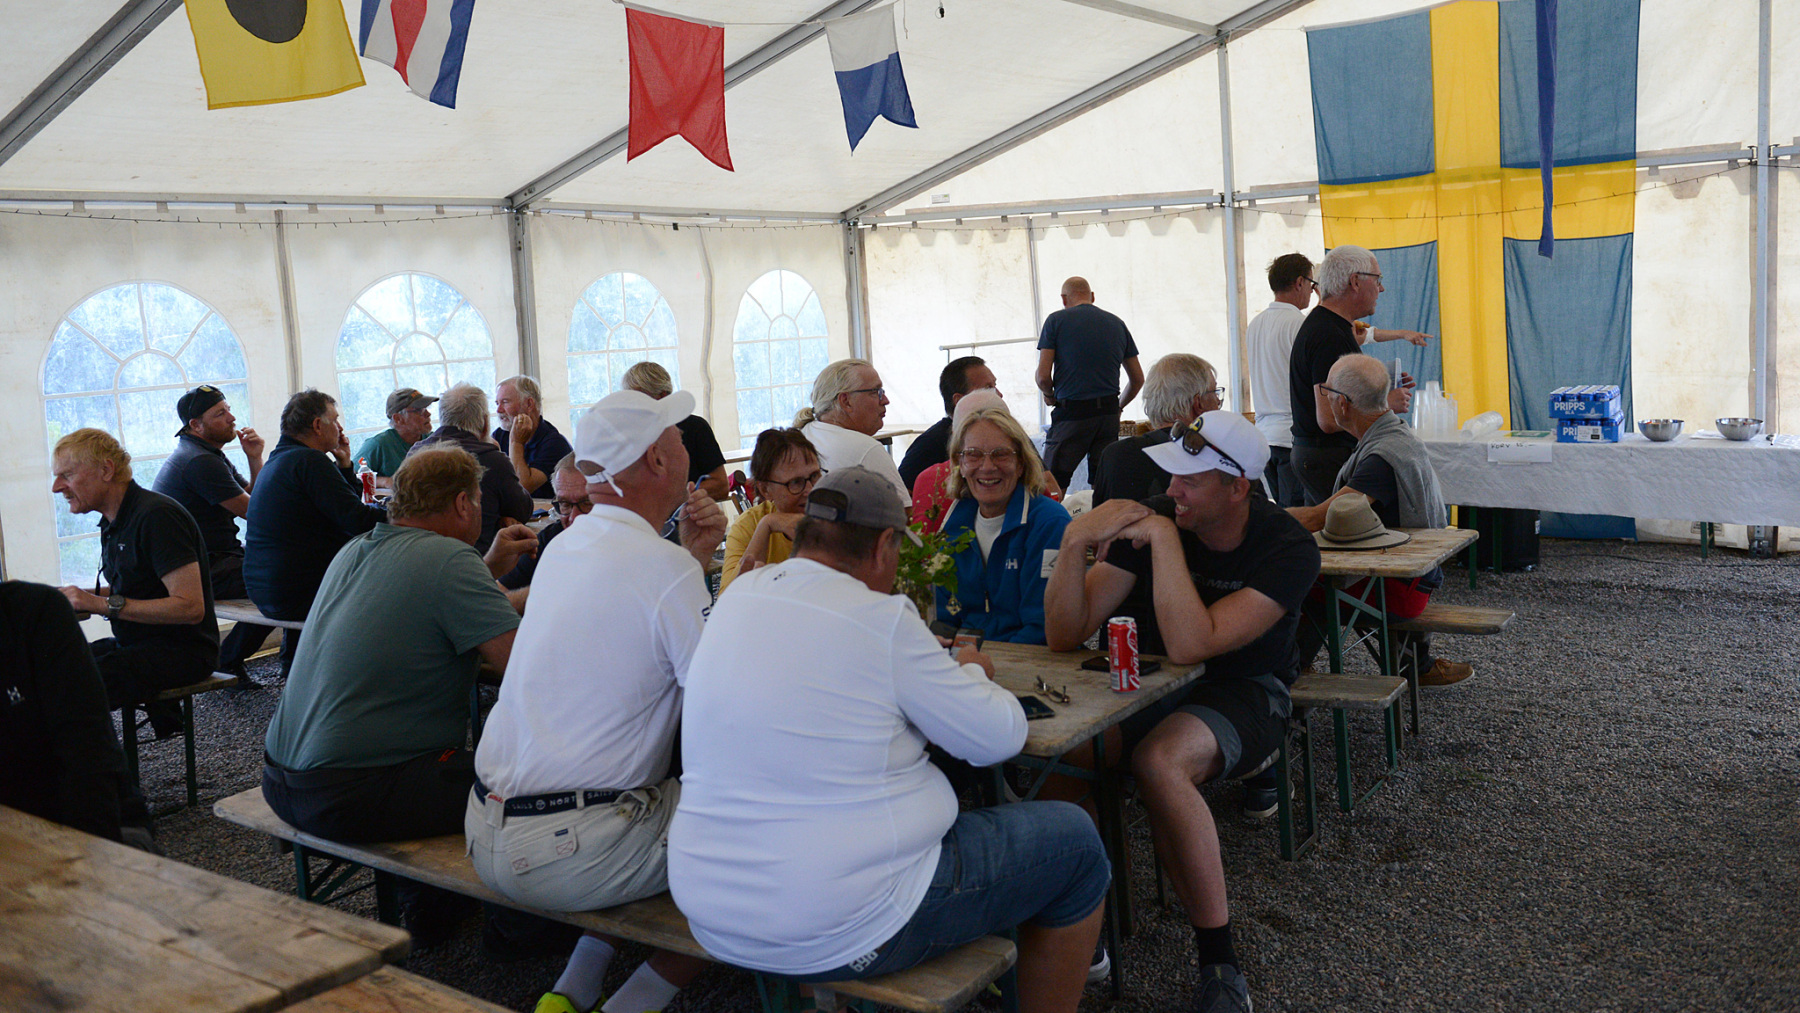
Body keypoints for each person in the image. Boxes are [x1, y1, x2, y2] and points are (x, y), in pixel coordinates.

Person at [670, 467, 1108, 1013]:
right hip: (840, 924)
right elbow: (1000, 736)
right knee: (1075, 843)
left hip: (711, 910)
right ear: (883, 546)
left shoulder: (739, 597)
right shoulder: (881, 617)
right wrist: (973, 670)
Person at [1043, 410, 1321, 1013]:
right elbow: (1064, 633)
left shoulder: (1287, 547)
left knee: (1160, 762)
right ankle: (1083, 917)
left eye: (1188, 481)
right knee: (1066, 755)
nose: (1171, 491)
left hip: (1246, 688)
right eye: (1170, 477)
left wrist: (1166, 541)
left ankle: (1219, 961)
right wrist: (1073, 542)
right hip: (1152, 684)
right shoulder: (1159, 514)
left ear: (1238, 487)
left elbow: (1196, 643)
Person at [469, 387, 724, 1013]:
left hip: (487, 828)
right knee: (760, 833)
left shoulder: (566, 547)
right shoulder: (665, 570)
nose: (687, 446)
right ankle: (631, 1005)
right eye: (677, 437)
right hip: (570, 847)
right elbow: (724, 705)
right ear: (657, 461)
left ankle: (573, 990)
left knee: (654, 796)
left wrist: (688, 559)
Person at [262, 447, 534, 933]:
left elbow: (430, 600)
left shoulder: (356, 549)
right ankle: (518, 929)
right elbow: (523, 670)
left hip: (282, 780)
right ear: (462, 504)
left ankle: (433, 909)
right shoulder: (449, 560)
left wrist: (487, 567)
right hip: (349, 793)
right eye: (476, 500)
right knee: (533, 781)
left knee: (432, 763)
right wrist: (559, 592)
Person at [1287, 354, 1473, 687]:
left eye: (1327, 392)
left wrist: (1259, 519)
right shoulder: (1392, 434)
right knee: (1306, 574)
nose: (1325, 398)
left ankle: (1286, 673)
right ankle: (1413, 664)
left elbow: (1319, 517)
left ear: (1343, 404)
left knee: (1291, 579)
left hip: (1403, 588)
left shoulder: (1381, 457)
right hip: (1411, 577)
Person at [52, 429, 220, 715]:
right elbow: (137, 587)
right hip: (138, 644)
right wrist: (70, 597)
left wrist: (100, 604)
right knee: (49, 666)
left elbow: (190, 608)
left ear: (106, 470)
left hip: (183, 653)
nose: (57, 487)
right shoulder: (115, 520)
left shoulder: (157, 516)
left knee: (66, 686)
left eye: (66, 475)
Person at [244, 389, 384, 675]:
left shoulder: (281, 459)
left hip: (266, 587)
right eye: (335, 420)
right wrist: (407, 514)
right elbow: (357, 520)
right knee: (389, 587)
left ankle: (294, 668)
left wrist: (344, 464)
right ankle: (370, 674)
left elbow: (343, 506)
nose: (340, 428)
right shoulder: (309, 461)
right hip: (296, 592)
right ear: (318, 425)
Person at [1286, 246, 1429, 504]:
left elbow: (1344, 395)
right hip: (1326, 456)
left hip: (1321, 456)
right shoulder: (1328, 334)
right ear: (1355, 281)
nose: (1381, 289)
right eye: (1377, 279)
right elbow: (1329, 418)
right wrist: (1386, 403)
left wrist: (1380, 389)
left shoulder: (1333, 326)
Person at [151, 383, 273, 682]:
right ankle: (228, 661)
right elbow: (255, 512)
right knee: (285, 581)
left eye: (228, 410)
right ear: (196, 425)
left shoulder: (203, 452)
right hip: (202, 569)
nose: (232, 418)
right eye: (220, 414)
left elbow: (252, 498)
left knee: (289, 573)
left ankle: (240, 660)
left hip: (214, 559)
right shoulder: (200, 461)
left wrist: (254, 457)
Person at [2, 580, 129, 843]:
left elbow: (89, 756)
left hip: (63, 833)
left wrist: (103, 603)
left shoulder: (33, 611)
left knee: (102, 674)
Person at [935, 408, 1070, 644]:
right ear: (960, 464)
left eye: (1001, 454)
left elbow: (1043, 628)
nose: (987, 467)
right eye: (973, 455)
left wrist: (985, 660)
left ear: (1021, 464)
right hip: (968, 658)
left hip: (1031, 659)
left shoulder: (1049, 524)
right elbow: (944, 617)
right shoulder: (953, 525)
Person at [1035, 276, 1144, 490]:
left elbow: (1043, 377)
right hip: (1108, 415)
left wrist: (1049, 395)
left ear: (1064, 299)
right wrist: (1118, 406)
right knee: (1103, 484)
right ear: (1092, 296)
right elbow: (1138, 379)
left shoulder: (1056, 321)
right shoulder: (1117, 324)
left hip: (1072, 415)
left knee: (1051, 484)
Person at [414, 382, 534, 552]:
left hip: (425, 554)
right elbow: (522, 510)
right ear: (485, 423)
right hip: (478, 559)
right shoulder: (491, 460)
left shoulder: (415, 453)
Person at [1092, 354, 1221, 507]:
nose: (1218, 400)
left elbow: (1100, 517)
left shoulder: (1115, 454)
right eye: (1215, 392)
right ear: (1198, 404)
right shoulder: (1214, 456)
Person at [794, 357, 910, 505]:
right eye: (875, 392)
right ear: (846, 401)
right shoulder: (866, 449)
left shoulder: (803, 434)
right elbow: (903, 513)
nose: (885, 400)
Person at [1246, 254, 1313, 507]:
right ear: (1299, 282)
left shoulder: (1256, 324)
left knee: (1282, 512)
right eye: (1311, 283)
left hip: (1264, 437)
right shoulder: (1299, 324)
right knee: (1297, 515)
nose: (1312, 290)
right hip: (1291, 436)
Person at [719, 427, 819, 590]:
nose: (810, 489)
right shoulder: (750, 524)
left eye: (814, 476)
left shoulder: (837, 515)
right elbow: (729, 598)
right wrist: (766, 525)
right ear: (765, 490)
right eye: (795, 482)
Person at [622, 361, 729, 502]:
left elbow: (720, 485)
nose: (633, 407)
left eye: (639, 399)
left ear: (662, 396)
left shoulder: (696, 428)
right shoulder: (627, 434)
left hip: (687, 512)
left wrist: (672, 498)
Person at [898, 355, 998, 489]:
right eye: (988, 388)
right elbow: (901, 492)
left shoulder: (998, 435)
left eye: (995, 386)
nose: (999, 395)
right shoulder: (930, 443)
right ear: (959, 400)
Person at [498, 453, 589, 593]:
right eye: (565, 504)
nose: (573, 517)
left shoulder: (621, 547)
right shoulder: (551, 539)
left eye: (587, 503)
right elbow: (498, 594)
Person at [494, 375, 574, 499]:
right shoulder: (500, 435)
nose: (498, 410)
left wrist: (516, 443)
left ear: (529, 404)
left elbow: (521, 488)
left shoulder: (555, 443)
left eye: (505, 402)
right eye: (497, 403)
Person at [354, 387, 437, 487]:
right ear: (398, 418)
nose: (428, 414)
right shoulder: (378, 444)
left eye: (426, 409)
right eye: (419, 410)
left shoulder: (435, 440)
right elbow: (354, 476)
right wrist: (385, 482)